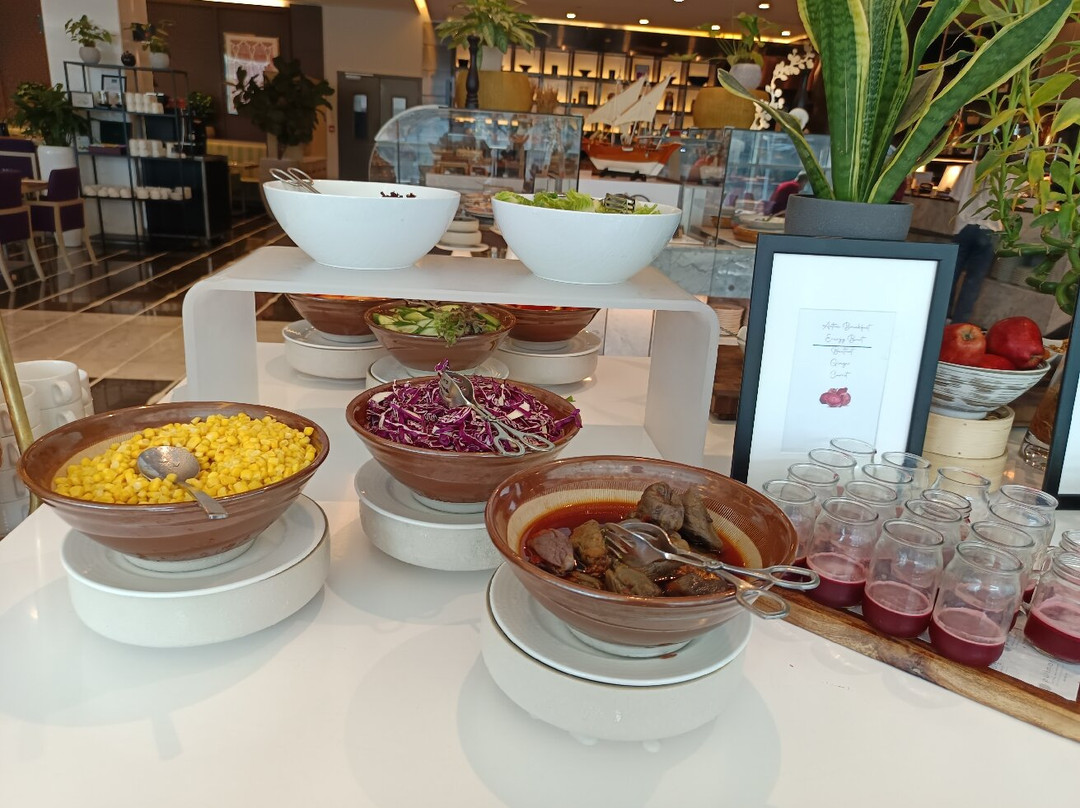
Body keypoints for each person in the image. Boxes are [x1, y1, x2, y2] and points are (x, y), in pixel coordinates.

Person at [949, 162, 1002, 323]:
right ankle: (959, 324)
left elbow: (956, 196)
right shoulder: (1009, 172)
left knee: (949, 277)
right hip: (989, 229)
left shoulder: (971, 167)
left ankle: (941, 318)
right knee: (973, 282)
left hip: (963, 226)